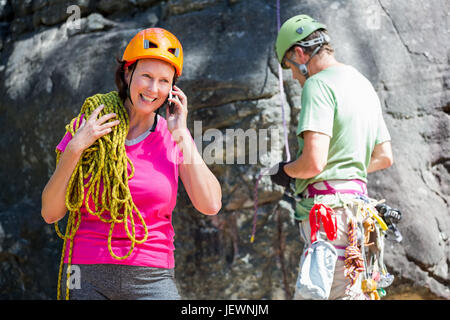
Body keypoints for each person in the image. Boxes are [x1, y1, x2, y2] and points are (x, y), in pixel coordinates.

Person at [41, 28, 222, 300]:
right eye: (146, 76)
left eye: (163, 81)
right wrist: (75, 148)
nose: (152, 89)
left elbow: (210, 204)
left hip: (152, 276)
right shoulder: (88, 126)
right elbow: (50, 213)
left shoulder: (173, 137)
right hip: (85, 274)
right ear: (128, 74)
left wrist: (182, 134)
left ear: (173, 88)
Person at [270, 15, 393, 300]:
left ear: (299, 54)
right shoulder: (363, 84)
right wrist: (341, 169)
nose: (293, 76)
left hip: (329, 221)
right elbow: (384, 156)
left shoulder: (317, 84)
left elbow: (313, 163)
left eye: (289, 66)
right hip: (360, 218)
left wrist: (287, 171)